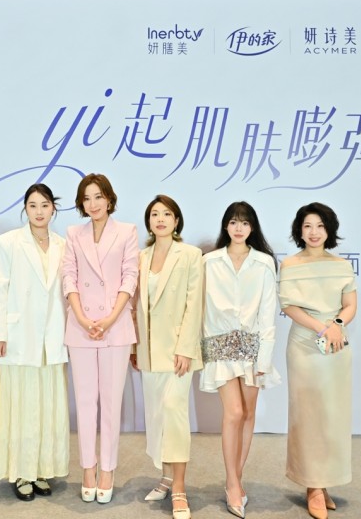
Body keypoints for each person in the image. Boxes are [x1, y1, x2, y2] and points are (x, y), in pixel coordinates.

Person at [0, 184, 70, 501]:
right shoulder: (8, 242)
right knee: (19, 407)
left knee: (48, 407)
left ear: (53, 209)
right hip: (18, 338)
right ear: (25, 209)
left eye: (44, 205)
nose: (39, 211)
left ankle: (41, 469)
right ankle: (21, 472)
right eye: (32, 205)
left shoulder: (64, 245)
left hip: (52, 339)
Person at [200, 201, 281, 519]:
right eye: (233, 222)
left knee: (247, 414)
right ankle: (233, 483)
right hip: (220, 346)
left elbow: (268, 312)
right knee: (233, 412)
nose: (238, 228)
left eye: (245, 223)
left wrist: (265, 357)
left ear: (252, 227)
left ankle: (237, 478)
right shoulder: (209, 262)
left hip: (253, 347)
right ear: (226, 225)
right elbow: (201, 307)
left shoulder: (264, 262)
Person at [61, 173, 138, 504]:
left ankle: (107, 469)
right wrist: (81, 317)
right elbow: (69, 277)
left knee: (110, 401)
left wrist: (109, 318)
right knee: (84, 400)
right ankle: (87, 468)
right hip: (81, 326)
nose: (93, 204)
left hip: (115, 326)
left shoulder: (127, 231)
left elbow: (129, 277)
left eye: (98, 196)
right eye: (86, 198)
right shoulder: (73, 234)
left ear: (109, 198)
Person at [278, 202, 357, 519]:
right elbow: (289, 306)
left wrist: (336, 325)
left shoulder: (341, 265)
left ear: (329, 230)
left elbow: (350, 305)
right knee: (308, 414)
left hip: (336, 346)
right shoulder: (290, 264)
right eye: (308, 226)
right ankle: (312, 486)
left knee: (332, 415)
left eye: (320, 226)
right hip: (305, 345)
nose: (314, 232)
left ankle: (324, 482)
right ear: (299, 230)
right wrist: (322, 327)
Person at [132, 195, 202, 519]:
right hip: (148, 350)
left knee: (174, 411)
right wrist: (134, 348)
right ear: (149, 222)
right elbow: (135, 306)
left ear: (176, 221)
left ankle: (180, 488)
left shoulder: (190, 255)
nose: (160, 219)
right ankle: (164, 477)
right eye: (154, 214)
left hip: (177, 351)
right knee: (157, 416)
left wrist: (185, 348)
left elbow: (194, 304)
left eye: (167, 214)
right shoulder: (140, 257)